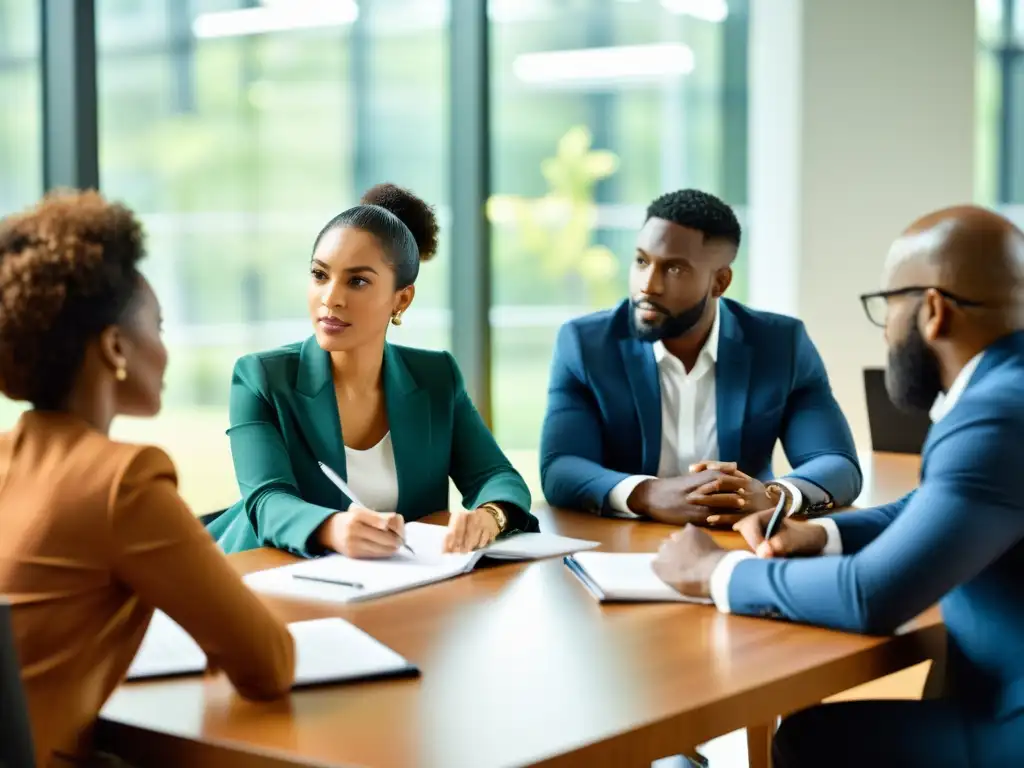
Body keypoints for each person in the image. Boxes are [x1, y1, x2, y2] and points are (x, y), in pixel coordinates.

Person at [651, 206, 1024, 766]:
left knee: (813, 739)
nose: (885, 332)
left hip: (1009, 731)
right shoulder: (1007, 390)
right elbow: (931, 505)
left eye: (887, 308)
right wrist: (819, 535)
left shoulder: (993, 416)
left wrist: (714, 571)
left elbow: (870, 596)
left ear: (932, 311)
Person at [0, 191, 295, 767]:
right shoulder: (122, 482)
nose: (165, 348)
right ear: (115, 347)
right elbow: (269, 665)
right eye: (156, 326)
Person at [209, 184, 535, 557]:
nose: (331, 297)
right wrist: (333, 529)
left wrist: (489, 517)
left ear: (402, 299)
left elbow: (497, 476)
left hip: (394, 586)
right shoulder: (260, 378)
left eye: (357, 281)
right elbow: (266, 501)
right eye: (320, 274)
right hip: (263, 575)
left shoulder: (436, 377)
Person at [539, 189, 861, 524]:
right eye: (641, 261)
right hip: (621, 543)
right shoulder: (586, 345)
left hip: (741, 543)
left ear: (719, 282)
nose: (648, 285)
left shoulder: (781, 344)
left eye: (674, 269)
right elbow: (561, 467)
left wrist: (771, 496)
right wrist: (647, 493)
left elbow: (837, 463)